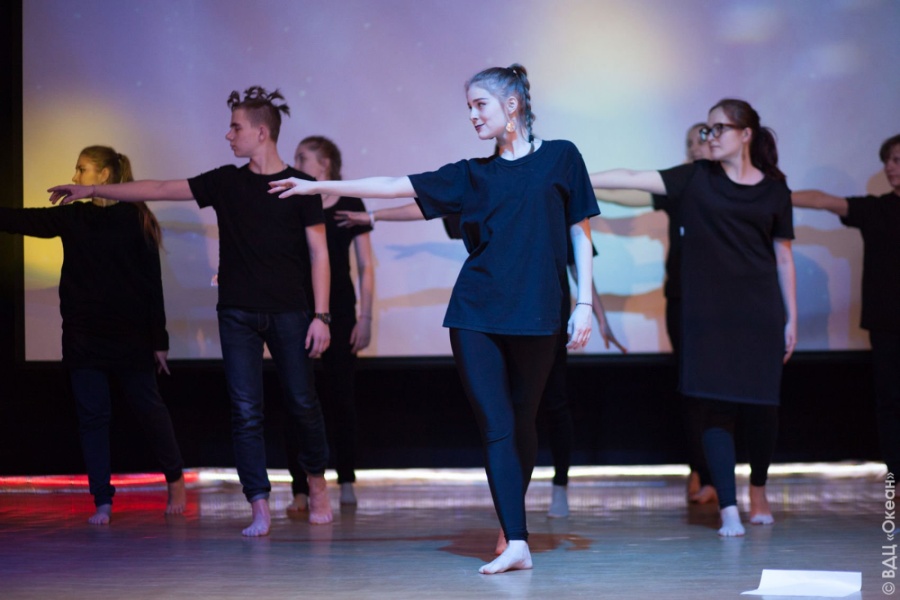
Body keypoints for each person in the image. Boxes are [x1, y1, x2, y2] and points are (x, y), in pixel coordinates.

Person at [270, 64, 598, 574]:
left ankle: (511, 524)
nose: (472, 116)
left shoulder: (562, 157)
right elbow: (394, 183)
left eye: (480, 105)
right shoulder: (472, 174)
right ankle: (517, 540)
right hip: (475, 313)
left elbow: (580, 231)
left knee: (523, 421)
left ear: (511, 105)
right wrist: (317, 187)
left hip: (538, 314)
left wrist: (584, 305)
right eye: (468, 107)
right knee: (496, 425)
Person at [48, 87, 334, 536]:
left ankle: (317, 483)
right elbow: (161, 188)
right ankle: (259, 505)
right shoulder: (226, 181)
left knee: (302, 402)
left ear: (261, 132)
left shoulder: (299, 186)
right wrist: (93, 189)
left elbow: (320, 253)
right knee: (246, 411)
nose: (228, 135)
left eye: (235, 128)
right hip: (237, 314)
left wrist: (321, 316)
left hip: (290, 312)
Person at [590, 99, 797, 536]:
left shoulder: (775, 190)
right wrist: (575, 176)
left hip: (759, 314)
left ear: (746, 134)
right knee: (714, 407)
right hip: (707, 315)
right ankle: (728, 508)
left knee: (763, 409)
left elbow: (783, 257)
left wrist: (791, 319)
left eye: (720, 128)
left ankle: (758, 489)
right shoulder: (696, 177)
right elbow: (632, 178)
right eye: (707, 129)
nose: (710, 136)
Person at [335, 206, 625, 518]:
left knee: (553, 400)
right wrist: (375, 216)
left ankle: (560, 486)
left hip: (547, 313)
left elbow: (577, 264)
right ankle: (512, 507)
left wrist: (598, 315)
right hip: (502, 312)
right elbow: (436, 200)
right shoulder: (494, 193)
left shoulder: (550, 200)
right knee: (507, 409)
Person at [1, 145, 186, 525]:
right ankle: (102, 499)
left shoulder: (136, 217)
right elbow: (25, 220)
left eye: (82, 169)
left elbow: (152, 284)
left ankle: (175, 481)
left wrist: (160, 340)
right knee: (92, 417)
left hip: (130, 335)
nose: (75, 176)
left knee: (149, 409)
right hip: (84, 335)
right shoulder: (75, 216)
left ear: (104, 175)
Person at [594, 123, 717, 505]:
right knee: (692, 389)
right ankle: (702, 470)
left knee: (723, 393)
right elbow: (630, 193)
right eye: (690, 143)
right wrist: (584, 184)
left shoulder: (733, 186)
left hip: (724, 304)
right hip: (683, 300)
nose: (696, 147)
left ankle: (717, 473)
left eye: (704, 139)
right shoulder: (683, 184)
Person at [792, 134, 900, 477]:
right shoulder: (876, 209)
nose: (890, 168)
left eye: (897, 160)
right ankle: (897, 477)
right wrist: (768, 193)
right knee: (891, 404)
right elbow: (822, 200)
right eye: (887, 161)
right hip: (887, 325)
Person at [286, 136, 374, 511]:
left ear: (323, 165)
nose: (294, 162)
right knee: (298, 399)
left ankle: (347, 479)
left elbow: (366, 266)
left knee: (342, 398)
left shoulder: (350, 202)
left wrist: (366, 317)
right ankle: (300, 488)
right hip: (298, 310)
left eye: (301, 157)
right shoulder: (294, 201)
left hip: (339, 311)